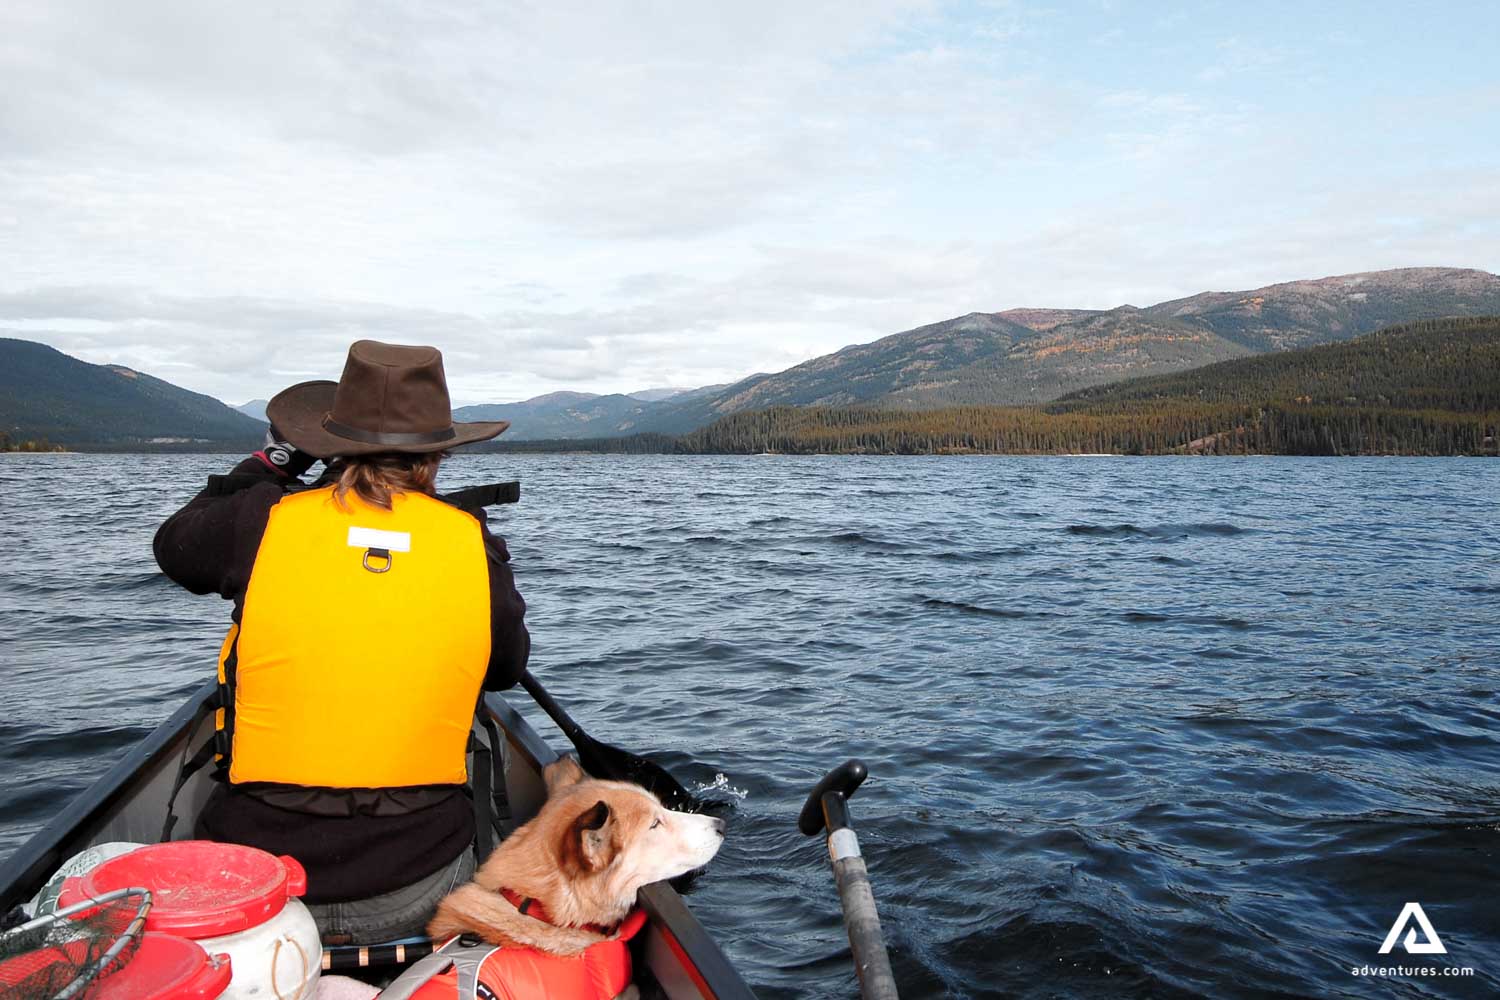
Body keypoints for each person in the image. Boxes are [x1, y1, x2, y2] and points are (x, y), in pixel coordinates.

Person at [153, 339, 529, 944]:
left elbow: (172, 545)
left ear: (328, 445)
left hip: (261, 880)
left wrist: (274, 461)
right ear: (435, 454)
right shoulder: (473, 543)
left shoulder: (260, 517)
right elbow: (507, 669)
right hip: (416, 883)